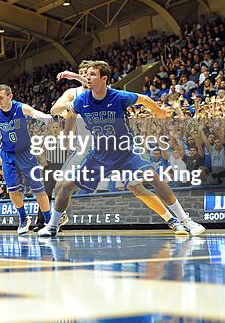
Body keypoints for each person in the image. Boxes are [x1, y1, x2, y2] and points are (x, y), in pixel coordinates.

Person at [43, 61, 205, 238]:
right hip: (99, 154)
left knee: (152, 178)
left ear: (104, 79)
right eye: (85, 74)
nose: (87, 77)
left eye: (91, 74)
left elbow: (144, 99)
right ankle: (52, 226)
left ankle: (186, 221)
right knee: (66, 186)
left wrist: (159, 112)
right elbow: (55, 110)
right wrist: (66, 108)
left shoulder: (118, 96)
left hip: (125, 151)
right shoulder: (81, 99)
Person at [0, 84, 53, 234]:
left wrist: (46, 118)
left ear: (10, 96)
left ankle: (50, 221)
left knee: (37, 188)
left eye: (1, 98)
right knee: (12, 190)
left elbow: (34, 113)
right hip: (8, 154)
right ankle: (24, 218)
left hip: (25, 152)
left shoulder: (20, 108)